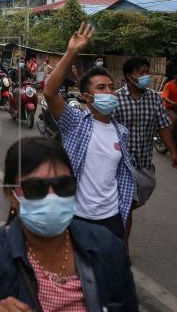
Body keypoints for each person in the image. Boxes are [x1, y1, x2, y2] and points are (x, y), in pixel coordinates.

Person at [0, 137, 138, 312]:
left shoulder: (108, 248)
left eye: (63, 186)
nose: (52, 197)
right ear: (11, 195)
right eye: (36, 188)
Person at [44, 23, 134, 241]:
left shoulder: (121, 133)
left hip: (112, 219)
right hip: (77, 219)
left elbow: (123, 180)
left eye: (111, 87)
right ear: (87, 97)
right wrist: (71, 52)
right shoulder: (76, 123)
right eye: (101, 88)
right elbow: (49, 92)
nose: (109, 92)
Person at [112, 57, 177, 251]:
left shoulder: (154, 98)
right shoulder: (116, 99)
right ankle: (122, 248)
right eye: (141, 73)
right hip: (122, 164)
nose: (146, 76)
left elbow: (163, 127)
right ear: (129, 75)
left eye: (146, 72)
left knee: (135, 200)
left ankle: (113, 219)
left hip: (144, 163)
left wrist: (174, 152)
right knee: (127, 204)